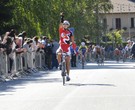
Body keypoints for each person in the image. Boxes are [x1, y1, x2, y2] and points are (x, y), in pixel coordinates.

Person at [56, 12, 76, 81]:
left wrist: (73, 48)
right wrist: (62, 17)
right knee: (58, 53)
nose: (64, 25)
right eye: (64, 24)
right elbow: (60, 24)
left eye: (66, 24)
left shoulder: (70, 33)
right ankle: (60, 64)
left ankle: (67, 75)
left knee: (68, 62)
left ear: (68, 26)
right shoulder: (61, 30)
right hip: (61, 46)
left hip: (67, 48)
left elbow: (72, 41)